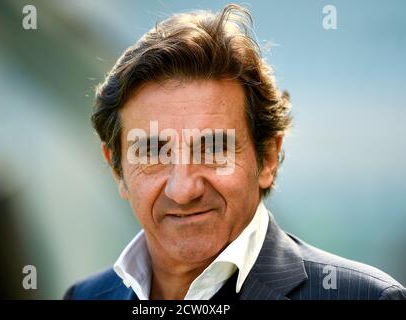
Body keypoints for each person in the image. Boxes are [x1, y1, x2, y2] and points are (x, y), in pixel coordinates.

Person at [64, 4, 405, 300]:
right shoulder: (84, 297)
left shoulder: (366, 297)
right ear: (117, 169)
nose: (183, 190)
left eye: (213, 149)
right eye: (153, 152)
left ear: (267, 158)